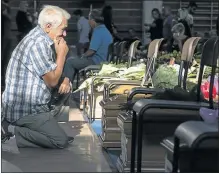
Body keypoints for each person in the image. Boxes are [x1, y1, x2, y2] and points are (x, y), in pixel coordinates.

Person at [2, 5, 74, 148]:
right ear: (48, 26)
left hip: (33, 105)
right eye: (62, 29)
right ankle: (12, 129)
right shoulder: (38, 44)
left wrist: (65, 79)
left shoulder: (41, 37)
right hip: (26, 109)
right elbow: (52, 81)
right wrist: (62, 55)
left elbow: (54, 72)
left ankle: (38, 128)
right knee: (60, 141)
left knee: (67, 86)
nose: (64, 34)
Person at [63, 9, 113, 84]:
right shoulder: (105, 30)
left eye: (89, 19)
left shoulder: (98, 31)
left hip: (96, 62)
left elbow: (92, 51)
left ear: (93, 20)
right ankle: (70, 85)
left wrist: (83, 56)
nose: (88, 22)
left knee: (70, 62)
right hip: (103, 61)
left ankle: (66, 87)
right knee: (75, 61)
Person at [1, 0, 12, 88]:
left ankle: (4, 79)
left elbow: (9, 17)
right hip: (4, 37)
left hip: (7, 36)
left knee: (6, 59)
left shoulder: (6, 7)